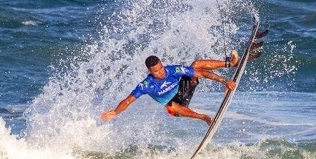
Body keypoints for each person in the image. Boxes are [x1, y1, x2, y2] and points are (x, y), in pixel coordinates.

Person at [101, 50, 240, 125]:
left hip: (184, 90)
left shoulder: (172, 70)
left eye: (161, 68)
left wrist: (224, 81)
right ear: (150, 71)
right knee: (171, 107)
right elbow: (127, 101)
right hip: (175, 106)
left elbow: (200, 73)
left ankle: (231, 63)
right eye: (156, 71)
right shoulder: (146, 85)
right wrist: (115, 112)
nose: (161, 72)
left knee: (196, 64)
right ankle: (204, 118)